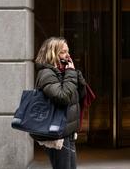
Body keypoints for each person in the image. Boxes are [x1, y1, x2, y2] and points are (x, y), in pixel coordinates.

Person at [33, 37, 87, 169]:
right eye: (63, 52)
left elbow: (81, 96)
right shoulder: (46, 74)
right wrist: (70, 75)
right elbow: (62, 97)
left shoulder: (63, 73)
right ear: (52, 54)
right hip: (57, 135)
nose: (68, 55)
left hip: (67, 131)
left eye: (68, 51)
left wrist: (76, 76)